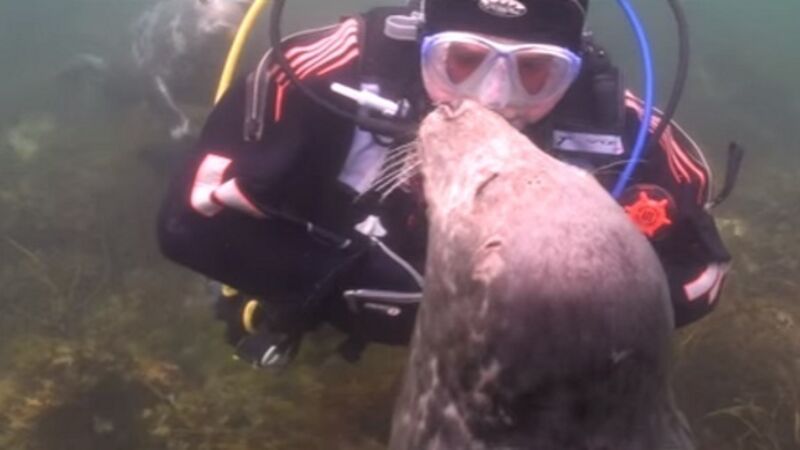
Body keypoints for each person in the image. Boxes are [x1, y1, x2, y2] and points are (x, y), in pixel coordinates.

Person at [158, 0, 732, 368]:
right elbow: (187, 223)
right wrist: (363, 288)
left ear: (573, 64)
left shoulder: (619, 126)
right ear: (422, 40)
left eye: (535, 70)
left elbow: (702, 271)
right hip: (339, 276)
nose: (493, 99)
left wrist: (571, 317)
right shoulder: (326, 72)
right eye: (462, 60)